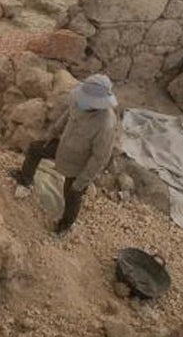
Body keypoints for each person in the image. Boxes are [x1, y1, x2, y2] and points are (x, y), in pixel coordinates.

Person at [11, 74, 120, 234]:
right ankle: (26, 179)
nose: (81, 100)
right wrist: (51, 134)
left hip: (78, 164)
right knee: (35, 149)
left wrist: (83, 180)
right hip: (63, 148)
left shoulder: (105, 125)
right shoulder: (80, 103)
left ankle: (65, 225)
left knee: (73, 194)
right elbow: (65, 118)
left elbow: (99, 158)